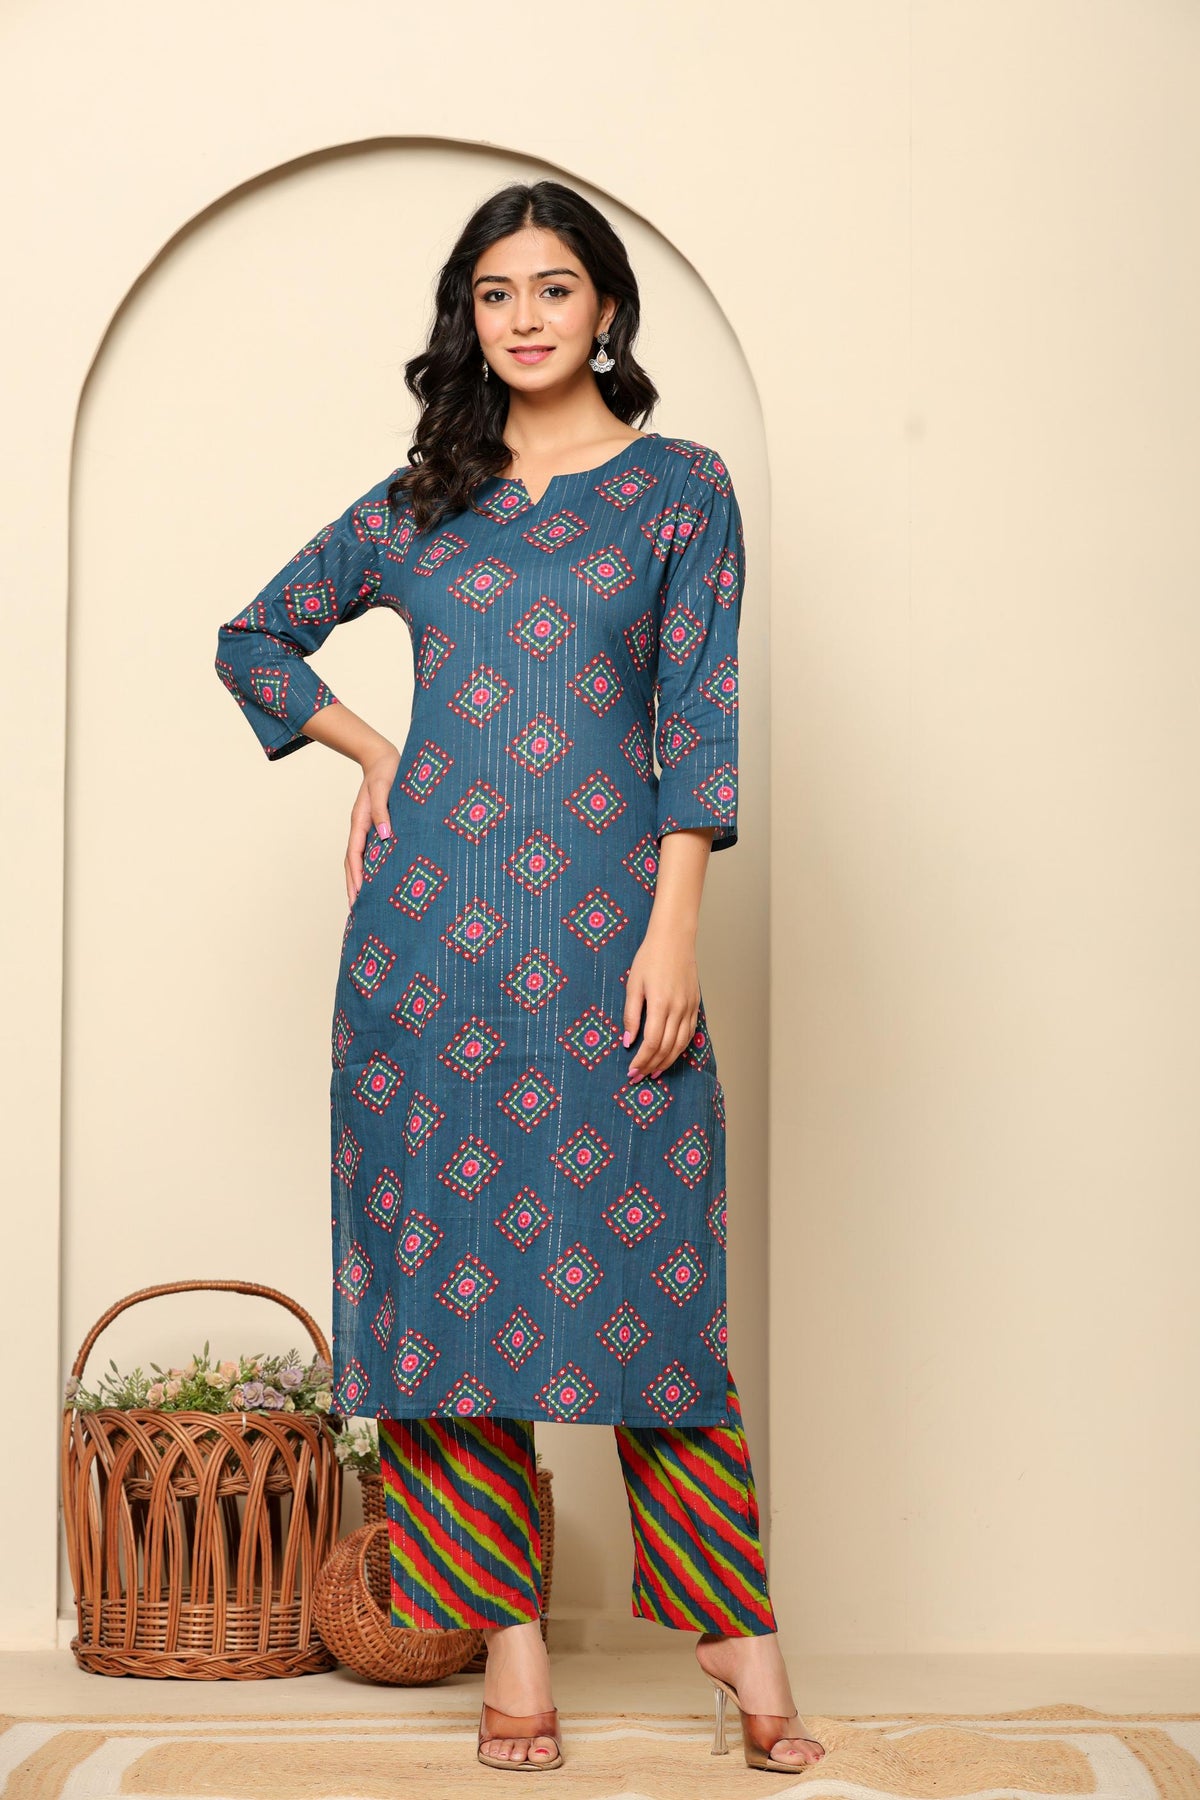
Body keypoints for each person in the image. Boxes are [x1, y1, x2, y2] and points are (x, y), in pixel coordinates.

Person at [214, 178, 825, 1775]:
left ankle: (742, 1647)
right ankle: (513, 1656)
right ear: (467, 319)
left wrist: (675, 929)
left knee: (657, 1310)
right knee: (452, 1314)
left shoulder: (679, 490)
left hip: (614, 953)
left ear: (606, 308)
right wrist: (373, 751)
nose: (527, 317)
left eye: (555, 287)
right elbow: (255, 638)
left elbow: (698, 715)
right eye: (497, 293)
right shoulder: (425, 501)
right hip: (428, 971)